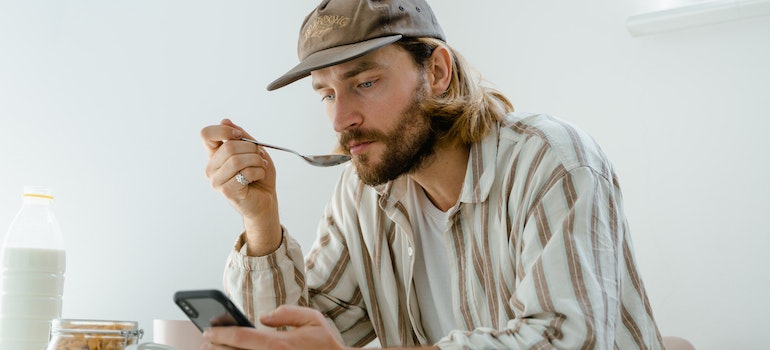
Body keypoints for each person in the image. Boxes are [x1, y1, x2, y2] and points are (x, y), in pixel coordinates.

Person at [200, 0, 664, 349]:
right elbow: (288, 337)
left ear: (437, 71)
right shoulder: (364, 193)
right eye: (326, 94)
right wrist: (260, 220)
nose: (341, 120)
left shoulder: (552, 162)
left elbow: (566, 340)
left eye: (365, 83)